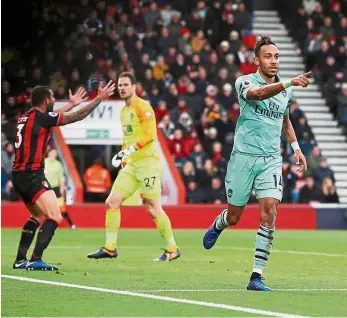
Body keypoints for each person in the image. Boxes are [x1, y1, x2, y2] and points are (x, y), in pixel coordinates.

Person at [203, 36, 309, 291]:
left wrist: (296, 148)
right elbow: (259, 94)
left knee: (270, 210)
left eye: (276, 56)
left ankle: (256, 275)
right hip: (242, 157)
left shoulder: (286, 90)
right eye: (268, 57)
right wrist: (288, 83)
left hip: (271, 159)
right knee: (236, 216)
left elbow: (284, 119)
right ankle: (221, 222)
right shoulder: (245, 81)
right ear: (257, 60)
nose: (273, 61)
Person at [12, 83, 115, 271]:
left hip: (18, 174)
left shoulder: (26, 117)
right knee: (55, 216)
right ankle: (36, 258)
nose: (53, 101)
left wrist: (71, 103)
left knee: (36, 215)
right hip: (32, 174)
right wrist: (99, 99)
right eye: (51, 98)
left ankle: (20, 259)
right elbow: (75, 117)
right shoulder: (42, 118)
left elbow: (52, 115)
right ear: (45, 101)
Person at [88, 72, 180, 262]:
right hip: (131, 165)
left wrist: (127, 150)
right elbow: (127, 139)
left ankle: (172, 249)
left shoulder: (143, 107)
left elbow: (148, 136)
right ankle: (110, 248)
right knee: (111, 202)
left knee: (153, 208)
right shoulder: (123, 112)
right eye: (120, 85)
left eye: (125, 85)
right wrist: (123, 156)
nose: (121, 88)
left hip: (148, 165)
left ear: (134, 87)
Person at [45, 148, 76, 229]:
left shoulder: (58, 164)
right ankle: (47, 225)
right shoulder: (44, 162)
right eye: (52, 153)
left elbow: (61, 177)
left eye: (55, 153)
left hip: (55, 188)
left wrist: (62, 188)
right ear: (48, 153)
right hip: (45, 188)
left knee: (61, 207)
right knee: (46, 208)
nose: (54, 154)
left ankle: (71, 225)